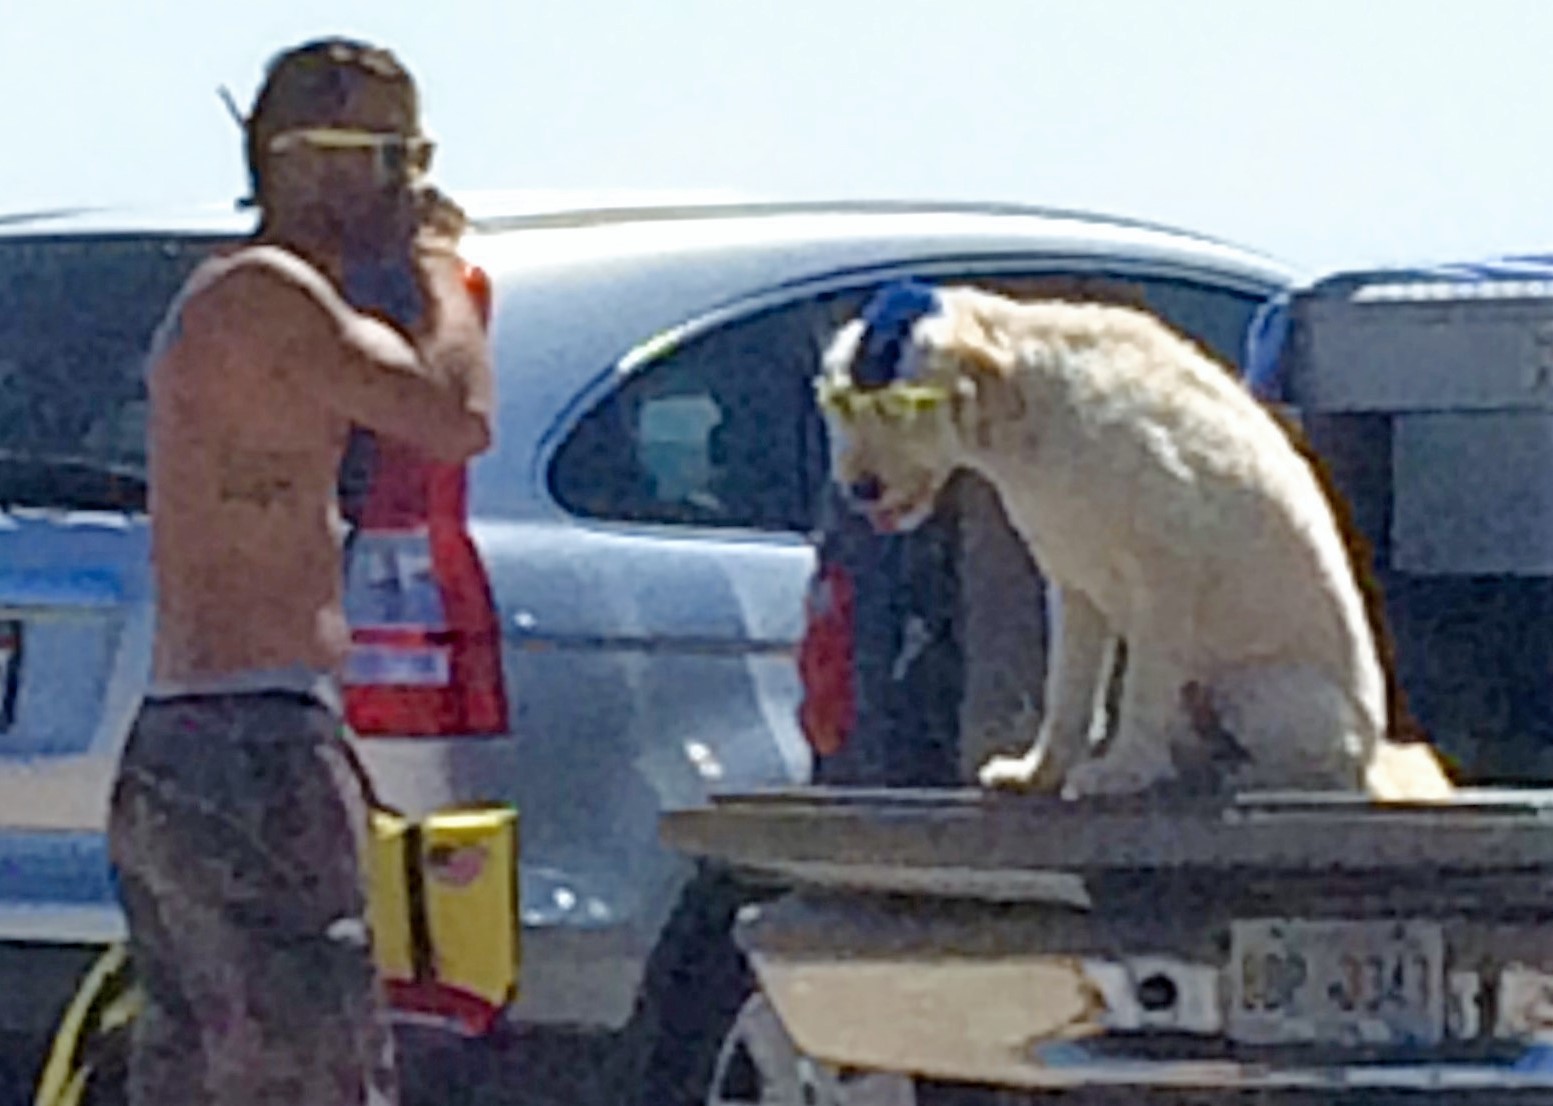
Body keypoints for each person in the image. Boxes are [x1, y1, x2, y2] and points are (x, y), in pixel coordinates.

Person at [105, 37, 494, 1106]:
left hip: (209, 739)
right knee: (312, 1068)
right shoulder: (269, 294)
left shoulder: (252, 304)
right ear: (301, 156)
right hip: (251, 740)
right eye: (388, 152)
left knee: (202, 1068)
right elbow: (453, 416)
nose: (405, 182)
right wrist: (440, 274)